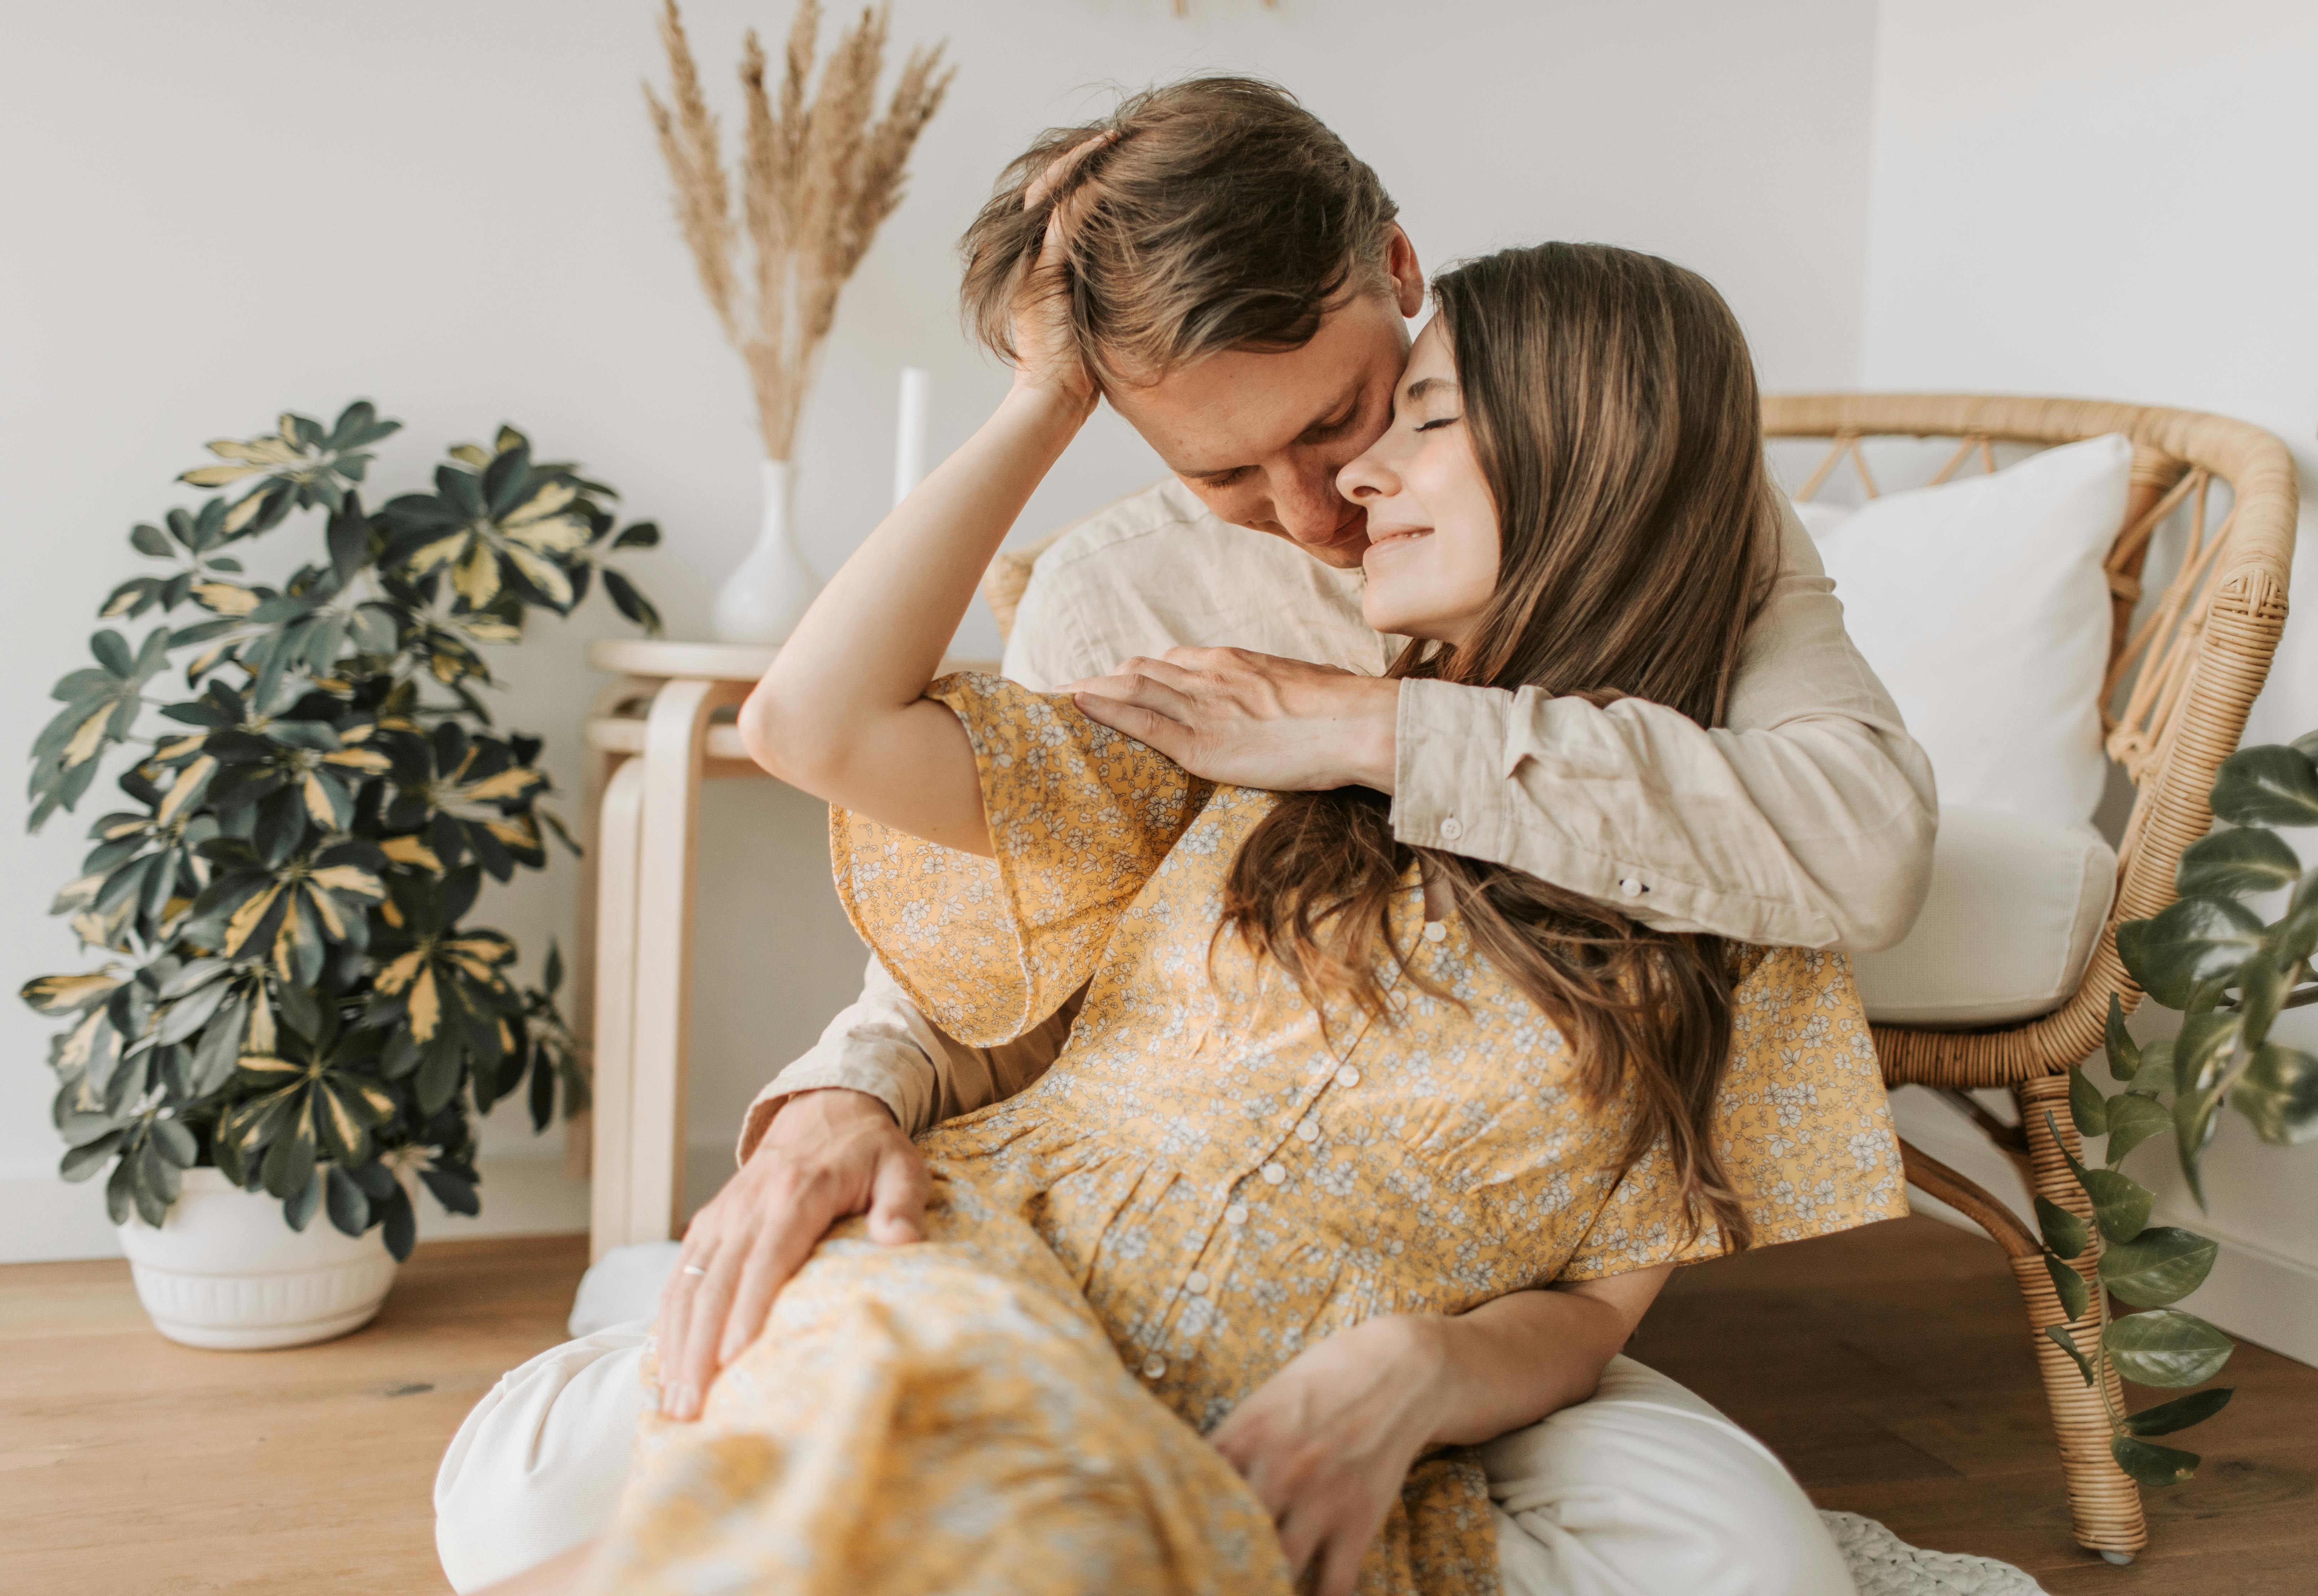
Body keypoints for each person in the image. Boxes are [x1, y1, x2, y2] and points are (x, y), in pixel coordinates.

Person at [437, 79, 1932, 1596]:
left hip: (1376, 1310)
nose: (1321, 500)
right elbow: (972, 887)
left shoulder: (1678, 534)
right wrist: (847, 1093)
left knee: (1747, 1566)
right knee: (698, 1484)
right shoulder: (1139, 636)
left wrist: (1363, 726)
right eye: (1219, 471)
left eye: (1363, 415)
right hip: (1038, 1235)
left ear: (1400, 279)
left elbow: (1862, 848)